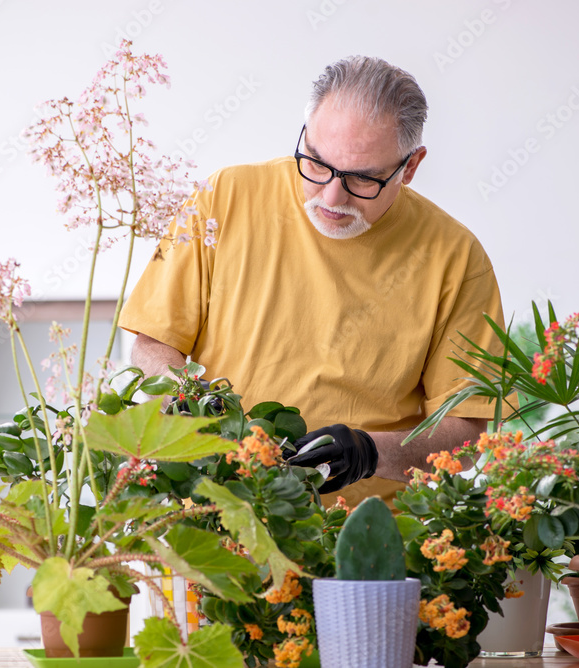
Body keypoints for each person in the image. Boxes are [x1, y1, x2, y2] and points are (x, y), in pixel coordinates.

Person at [119, 55, 509, 508]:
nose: (331, 195)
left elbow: (466, 435)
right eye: (317, 163)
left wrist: (369, 453)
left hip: (362, 541)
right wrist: (182, 399)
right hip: (215, 517)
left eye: (362, 178)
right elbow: (152, 344)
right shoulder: (224, 198)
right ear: (304, 133)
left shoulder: (456, 258)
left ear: (410, 167)